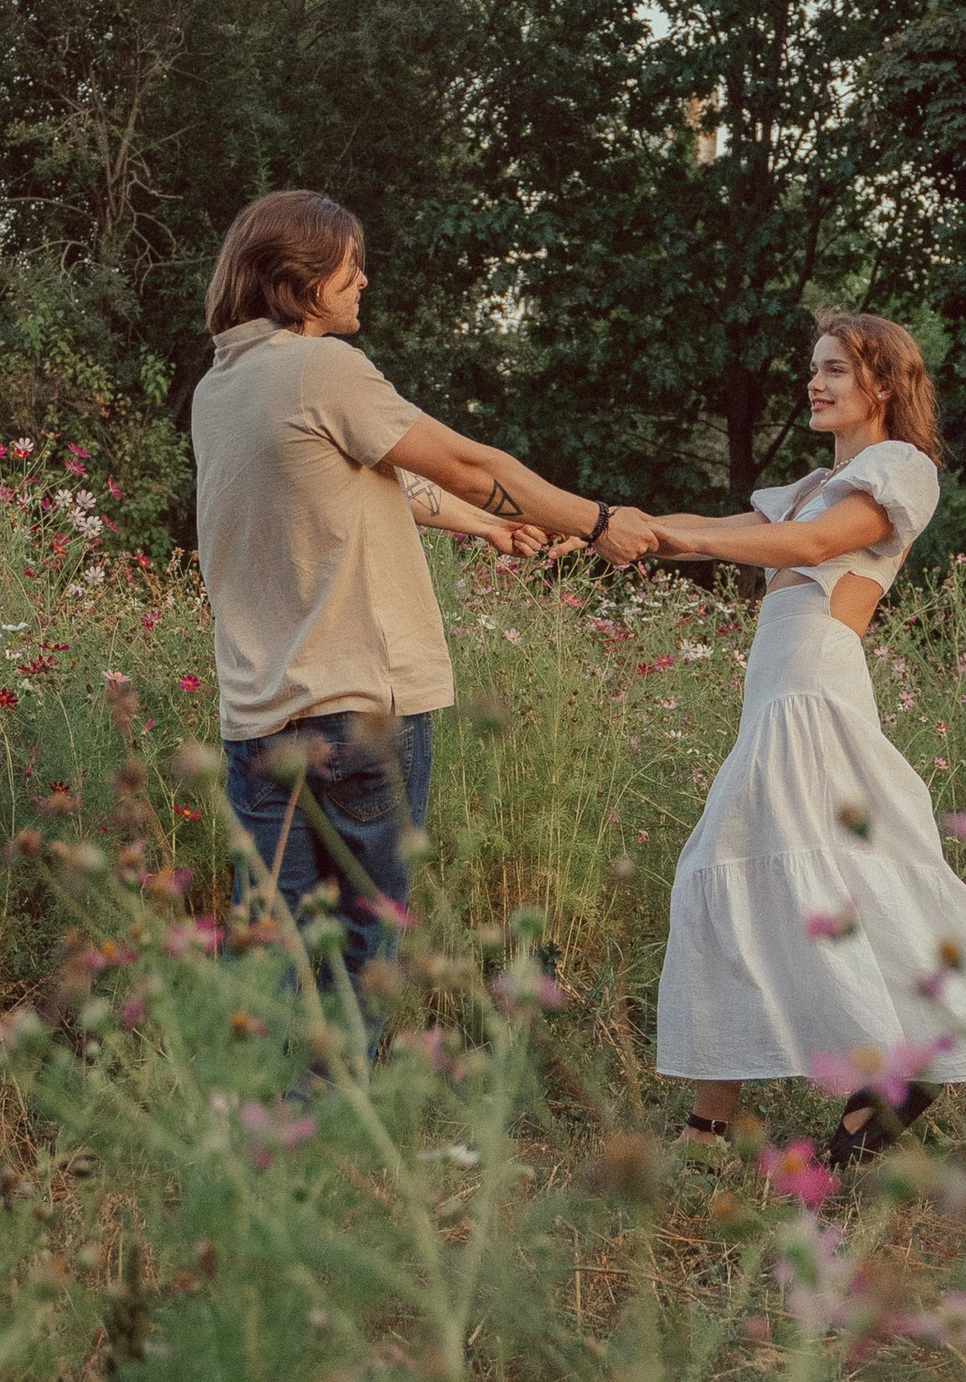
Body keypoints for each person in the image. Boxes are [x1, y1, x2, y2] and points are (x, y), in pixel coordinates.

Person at [191, 189, 658, 988]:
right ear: (298, 276)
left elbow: (373, 479)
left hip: (260, 720)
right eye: (349, 265)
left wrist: (487, 526)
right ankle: (346, 1074)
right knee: (363, 958)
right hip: (358, 713)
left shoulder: (222, 386)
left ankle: (268, 1076)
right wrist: (599, 521)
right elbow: (473, 465)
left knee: (272, 963)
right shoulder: (322, 367)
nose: (363, 280)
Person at [648, 311, 966, 1167]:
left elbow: (816, 544)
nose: (814, 384)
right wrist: (602, 526)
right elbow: (716, 529)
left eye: (835, 370)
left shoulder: (900, 469)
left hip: (814, 691)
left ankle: (725, 1124)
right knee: (758, 878)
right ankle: (769, 1110)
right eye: (814, 368)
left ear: (883, 385)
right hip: (776, 695)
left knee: (746, 869)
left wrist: (679, 535)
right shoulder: (809, 487)